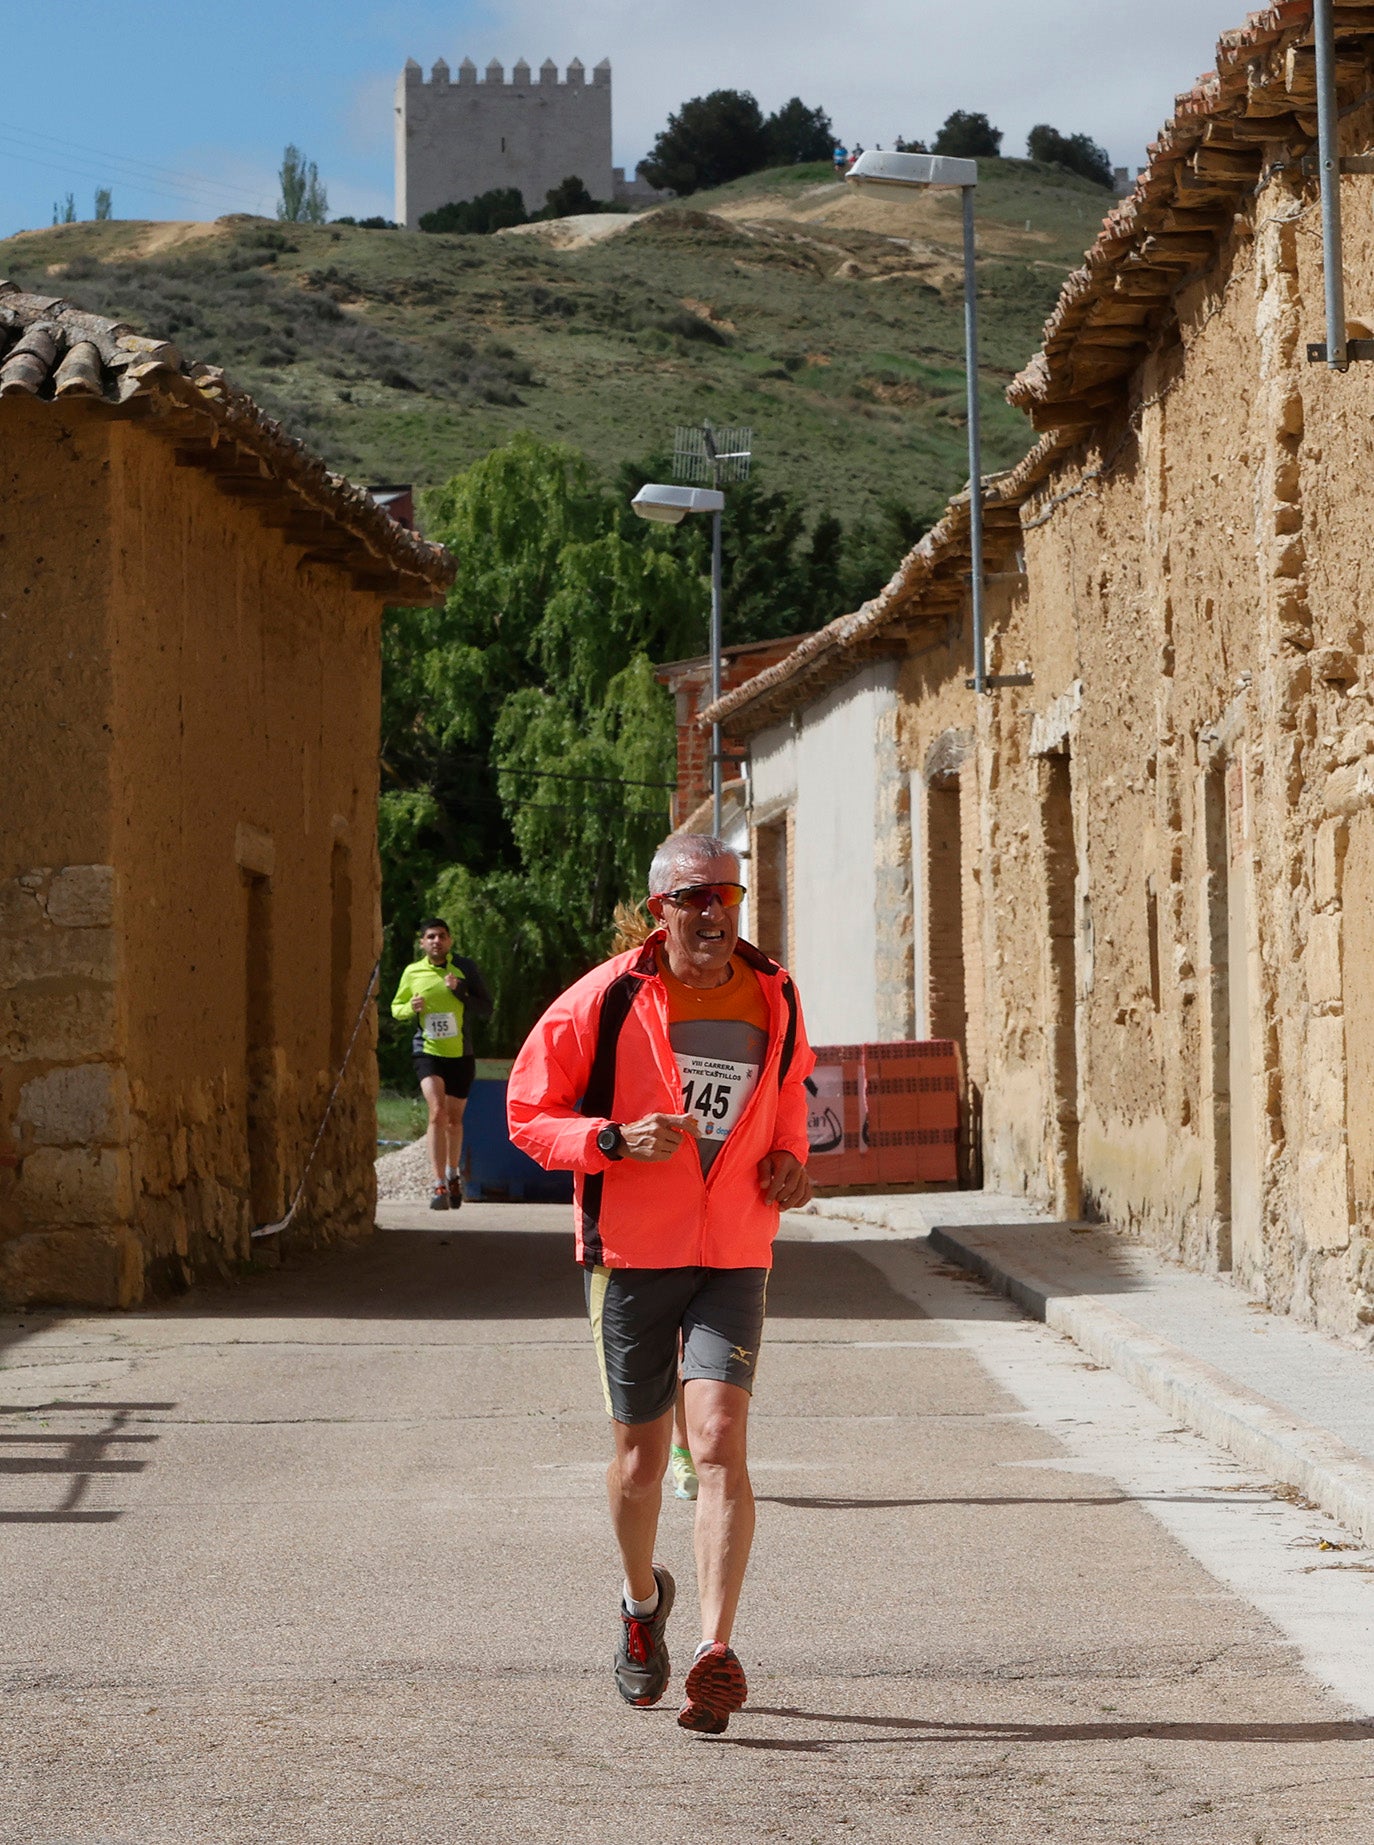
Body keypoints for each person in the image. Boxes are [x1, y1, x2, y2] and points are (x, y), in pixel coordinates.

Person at [508, 834, 814, 1735]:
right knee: (642, 1464)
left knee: (718, 1440)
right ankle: (643, 1607)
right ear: (660, 913)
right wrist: (609, 1139)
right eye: (694, 897)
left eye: (727, 893)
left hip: (733, 1250)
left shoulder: (776, 993)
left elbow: (790, 1090)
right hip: (633, 1256)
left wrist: (792, 1159)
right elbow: (529, 1111)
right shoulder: (606, 999)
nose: (715, 911)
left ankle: (716, 1652)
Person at [389, 917, 492, 1211]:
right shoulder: (413, 972)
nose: (437, 941)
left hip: (460, 1054)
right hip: (428, 1051)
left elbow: (486, 1008)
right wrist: (411, 1008)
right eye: (431, 937)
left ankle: (452, 1173)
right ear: (422, 943)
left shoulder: (464, 969)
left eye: (442, 936)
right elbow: (396, 1008)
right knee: (437, 1112)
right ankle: (437, 1183)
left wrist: (460, 991)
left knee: (454, 1121)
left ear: (449, 941)